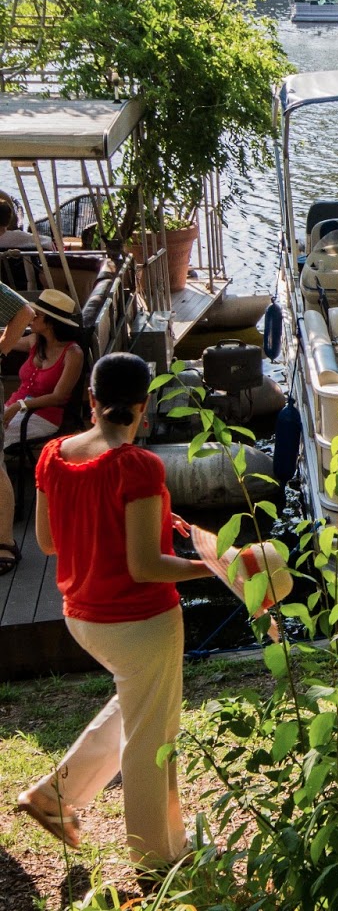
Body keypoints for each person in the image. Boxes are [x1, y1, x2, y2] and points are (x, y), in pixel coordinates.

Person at [16, 353, 211, 872]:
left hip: (82, 617)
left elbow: (48, 541)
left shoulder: (53, 455)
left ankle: (55, 797)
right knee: (154, 734)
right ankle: (158, 857)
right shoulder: (138, 465)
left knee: (138, 705)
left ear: (91, 400)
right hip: (139, 622)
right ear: (144, 407)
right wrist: (212, 567)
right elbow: (146, 567)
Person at [0, 289, 84, 577]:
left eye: (36, 316)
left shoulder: (73, 353)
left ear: (49, 322)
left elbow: (60, 397)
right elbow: (6, 339)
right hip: (15, 410)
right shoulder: (35, 344)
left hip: (42, 417)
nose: (31, 318)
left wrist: (20, 405)